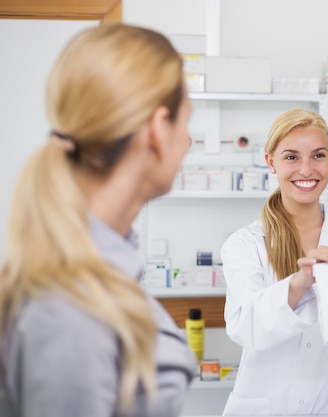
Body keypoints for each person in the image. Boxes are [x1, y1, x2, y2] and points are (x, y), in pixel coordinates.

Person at [0, 24, 197, 417]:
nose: (188, 141)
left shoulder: (97, 271)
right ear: (158, 130)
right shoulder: (68, 307)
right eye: (185, 123)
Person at [220, 108, 328, 416]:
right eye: (291, 157)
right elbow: (246, 326)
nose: (306, 169)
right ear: (270, 161)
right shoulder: (245, 244)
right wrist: (300, 282)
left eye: (318, 155)